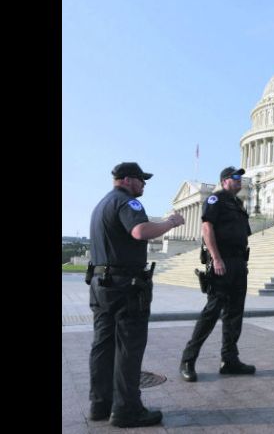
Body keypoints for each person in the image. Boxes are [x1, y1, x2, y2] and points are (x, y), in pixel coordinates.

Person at [88, 162, 185, 428]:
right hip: (124, 286)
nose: (144, 185)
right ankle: (127, 410)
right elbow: (140, 231)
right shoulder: (128, 203)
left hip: (101, 283)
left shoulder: (102, 204)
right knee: (128, 348)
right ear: (129, 180)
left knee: (103, 346)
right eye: (142, 180)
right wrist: (171, 222)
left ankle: (100, 404)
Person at [180, 166, 255, 382]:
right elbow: (207, 228)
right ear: (224, 181)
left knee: (235, 314)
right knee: (211, 312)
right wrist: (216, 258)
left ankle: (229, 360)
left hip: (239, 263)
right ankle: (188, 359)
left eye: (241, 177)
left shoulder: (237, 203)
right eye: (235, 177)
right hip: (222, 262)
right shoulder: (215, 200)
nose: (240, 180)